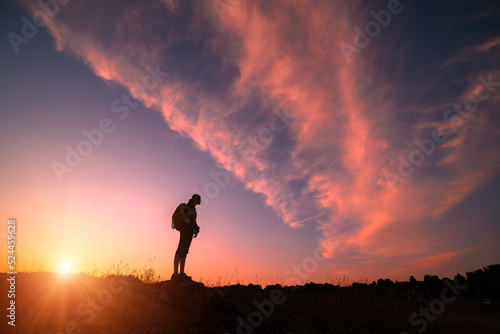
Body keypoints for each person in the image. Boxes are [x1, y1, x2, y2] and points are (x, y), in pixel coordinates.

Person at [172, 194, 201, 281]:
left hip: (187, 229)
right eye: (199, 199)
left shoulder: (187, 207)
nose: (200, 201)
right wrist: (196, 227)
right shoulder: (190, 208)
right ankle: (177, 274)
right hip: (186, 229)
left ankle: (179, 273)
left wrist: (194, 228)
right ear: (196, 199)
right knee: (182, 249)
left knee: (183, 250)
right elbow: (192, 219)